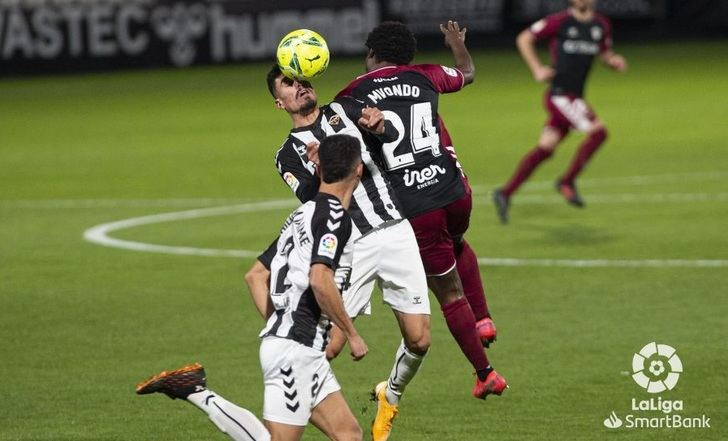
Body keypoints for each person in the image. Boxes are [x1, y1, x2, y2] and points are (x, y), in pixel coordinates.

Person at [136, 134, 369, 441]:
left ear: (320, 169)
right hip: (296, 347)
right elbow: (319, 279)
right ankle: (196, 391)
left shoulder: (302, 214)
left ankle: (194, 389)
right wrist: (351, 334)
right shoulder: (335, 218)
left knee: (348, 434)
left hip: (295, 344)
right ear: (359, 170)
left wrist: (278, 325)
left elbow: (256, 275)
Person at [333, 20, 507, 408]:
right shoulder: (424, 74)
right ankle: (483, 319)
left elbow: (332, 133)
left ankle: (486, 374)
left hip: (416, 204)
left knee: (448, 293)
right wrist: (457, 43)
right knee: (458, 241)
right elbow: (468, 73)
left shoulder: (352, 95)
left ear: (371, 55)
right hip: (454, 188)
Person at [266, 65, 431, 441]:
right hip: (348, 247)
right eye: (289, 85)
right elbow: (313, 199)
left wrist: (380, 125)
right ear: (280, 103)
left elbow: (390, 134)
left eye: (302, 80)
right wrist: (318, 167)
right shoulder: (287, 155)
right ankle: (290, 410)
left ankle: (389, 395)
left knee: (420, 340)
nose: (300, 87)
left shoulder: (345, 109)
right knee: (328, 349)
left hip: (394, 229)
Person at [493, 0, 627, 223]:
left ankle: (505, 192)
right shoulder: (560, 21)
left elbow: (604, 53)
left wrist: (614, 61)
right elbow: (524, 38)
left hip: (575, 96)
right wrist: (537, 69)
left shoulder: (601, 25)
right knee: (599, 132)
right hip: (561, 95)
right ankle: (567, 181)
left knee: (546, 148)